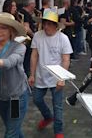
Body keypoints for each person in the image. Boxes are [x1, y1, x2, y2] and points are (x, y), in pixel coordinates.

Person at [28, 9, 72, 138]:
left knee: (57, 105)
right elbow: (34, 56)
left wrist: (61, 78)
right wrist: (32, 74)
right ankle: (48, 117)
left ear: (55, 25)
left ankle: (58, 131)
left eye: (49, 23)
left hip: (56, 77)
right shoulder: (38, 35)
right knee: (36, 99)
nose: (46, 26)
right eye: (44, 23)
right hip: (41, 75)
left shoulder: (63, 38)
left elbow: (66, 59)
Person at [18, 0, 37, 77]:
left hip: (23, 41)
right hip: (27, 42)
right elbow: (26, 28)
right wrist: (34, 35)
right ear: (31, 4)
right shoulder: (25, 14)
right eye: (34, 3)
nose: (35, 5)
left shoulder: (21, 12)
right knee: (27, 64)